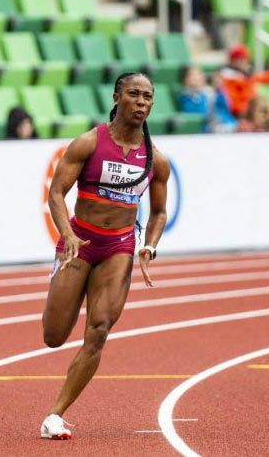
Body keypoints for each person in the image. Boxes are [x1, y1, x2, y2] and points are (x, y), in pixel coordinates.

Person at [40, 72, 170, 440]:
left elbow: (159, 212)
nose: (142, 102)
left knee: (98, 331)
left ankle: (55, 414)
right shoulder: (88, 143)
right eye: (134, 94)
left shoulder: (155, 161)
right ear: (116, 96)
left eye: (148, 96)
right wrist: (67, 235)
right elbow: (56, 194)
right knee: (53, 335)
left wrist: (151, 244)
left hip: (119, 248)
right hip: (79, 242)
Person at [218, 43, 269, 118]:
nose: (245, 62)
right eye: (241, 59)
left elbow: (260, 77)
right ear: (233, 61)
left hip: (251, 111)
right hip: (241, 115)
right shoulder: (228, 78)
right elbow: (235, 105)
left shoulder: (243, 75)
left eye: (245, 59)